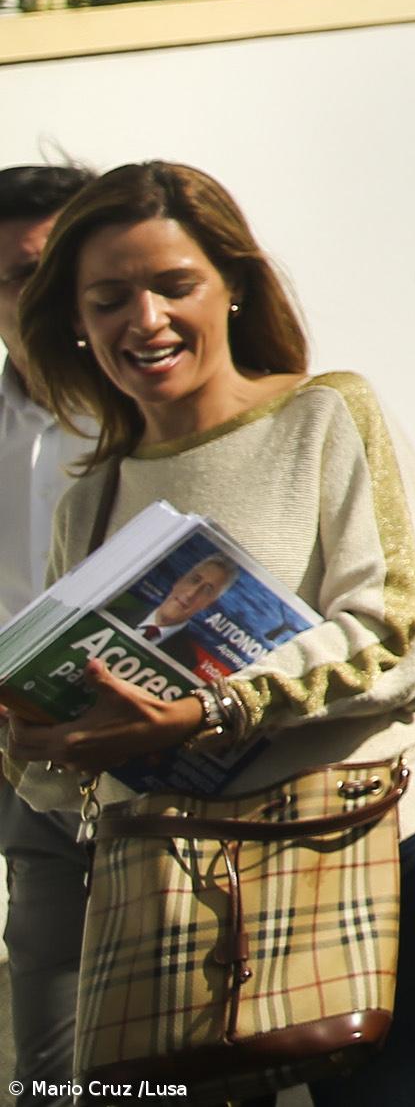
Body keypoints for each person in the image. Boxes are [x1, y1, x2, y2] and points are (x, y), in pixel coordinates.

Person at [6, 162, 415, 1107]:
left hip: (355, 848)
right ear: (74, 318)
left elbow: (410, 636)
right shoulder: (89, 494)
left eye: (173, 285)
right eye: (109, 299)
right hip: (171, 888)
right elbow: (77, 737)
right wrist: (44, 739)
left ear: (233, 284)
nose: (144, 320)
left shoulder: (326, 414)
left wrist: (203, 710)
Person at [0, 161, 93, 1094]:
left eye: (53, 266)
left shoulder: (150, 411)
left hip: (183, 781)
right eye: (17, 276)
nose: (38, 297)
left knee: (206, 1064)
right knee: (54, 1077)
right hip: (34, 787)